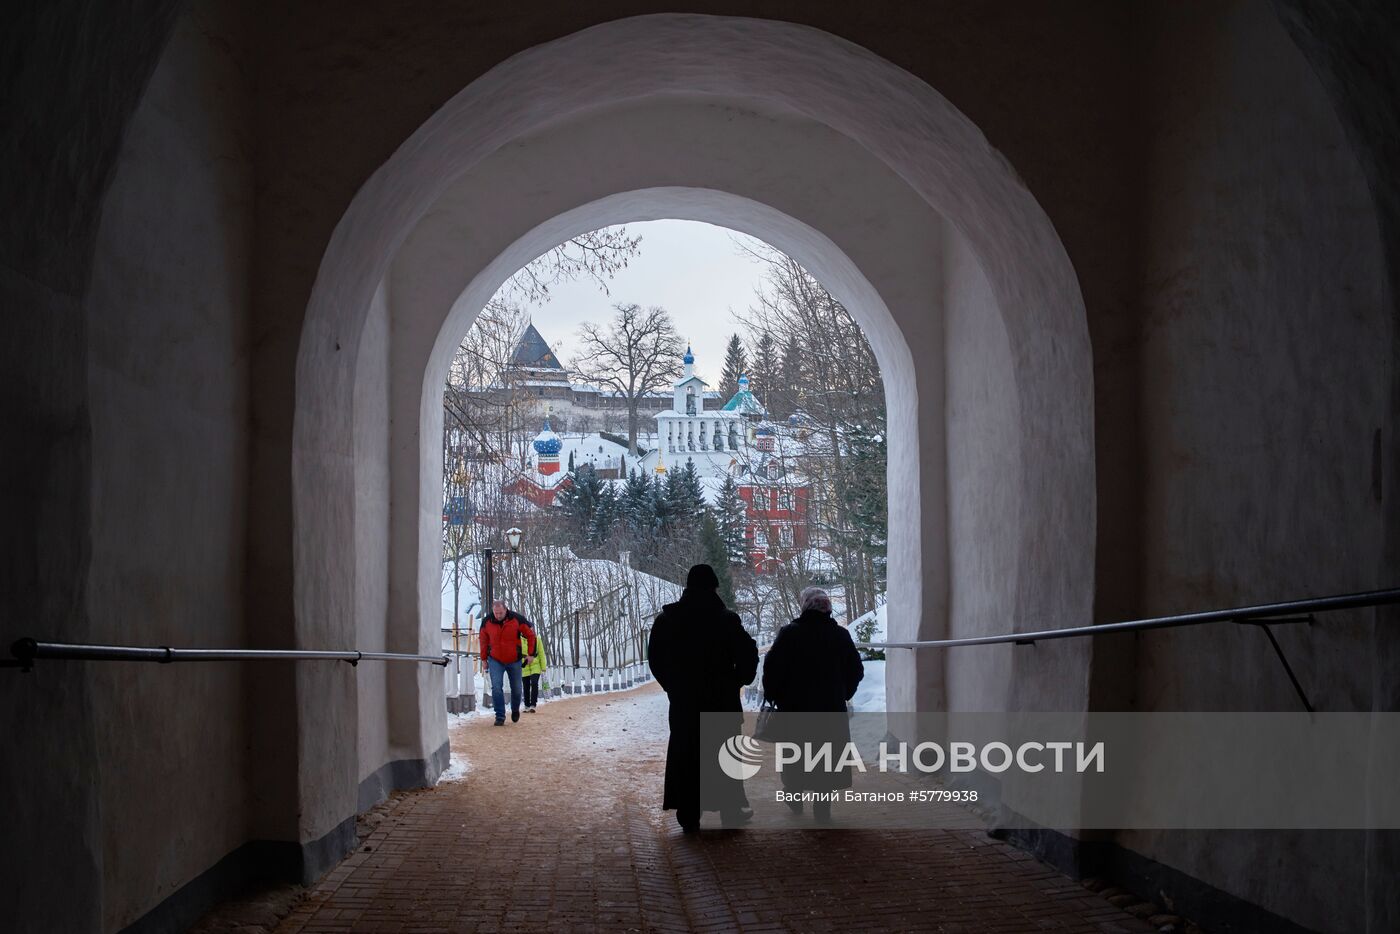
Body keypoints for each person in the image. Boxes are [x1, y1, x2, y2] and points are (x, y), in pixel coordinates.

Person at [647, 564, 759, 833]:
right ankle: (730, 810)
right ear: (714, 586)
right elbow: (747, 656)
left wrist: (672, 686)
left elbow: (656, 660)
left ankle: (688, 812)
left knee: (687, 753)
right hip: (722, 701)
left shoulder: (667, 620)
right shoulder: (726, 620)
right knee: (725, 755)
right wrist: (737, 681)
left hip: (684, 703)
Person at [761, 587, 864, 823]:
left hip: (795, 710)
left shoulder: (789, 633)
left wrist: (776, 695)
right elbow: (856, 670)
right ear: (827, 607)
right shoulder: (840, 635)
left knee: (796, 756)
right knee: (826, 758)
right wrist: (843, 693)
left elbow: (773, 668)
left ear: (805, 605)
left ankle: (794, 795)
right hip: (830, 710)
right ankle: (822, 806)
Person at [479, 600, 537, 726]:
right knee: (496, 687)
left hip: (514, 660)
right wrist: (483, 659)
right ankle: (500, 716)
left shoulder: (517, 619)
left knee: (517, 688)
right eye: (496, 613)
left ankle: (515, 709)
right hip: (495, 659)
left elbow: (531, 635)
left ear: (506, 610)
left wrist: (531, 654)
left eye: (500, 613)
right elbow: (483, 640)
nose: (498, 616)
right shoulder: (486, 622)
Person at [519, 627, 548, 712]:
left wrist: (543, 667)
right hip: (524, 664)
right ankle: (527, 705)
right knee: (526, 685)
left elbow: (541, 653)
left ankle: (533, 705)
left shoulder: (537, 639)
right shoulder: (519, 639)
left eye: (531, 629)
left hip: (536, 664)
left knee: (534, 683)